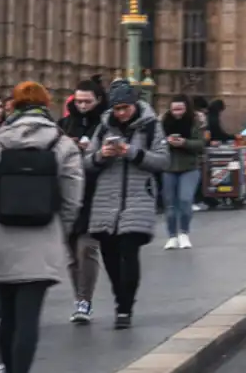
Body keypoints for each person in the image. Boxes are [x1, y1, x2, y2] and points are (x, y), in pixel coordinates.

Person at [0, 81, 83, 373]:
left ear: (13, 107)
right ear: (46, 105)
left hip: (2, 234)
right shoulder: (61, 143)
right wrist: (61, 226)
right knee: (29, 315)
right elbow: (73, 194)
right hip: (43, 234)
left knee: (6, 313)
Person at [85, 83, 169, 329]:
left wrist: (131, 152)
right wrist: (102, 155)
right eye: (117, 108)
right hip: (106, 199)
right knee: (109, 254)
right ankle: (119, 297)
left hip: (137, 197)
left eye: (125, 108)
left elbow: (162, 160)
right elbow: (86, 162)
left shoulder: (152, 126)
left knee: (128, 249)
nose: (121, 113)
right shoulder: (103, 127)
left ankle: (125, 308)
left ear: (134, 105)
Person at [58, 82, 106, 324]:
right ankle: (80, 297)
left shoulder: (106, 124)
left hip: (96, 194)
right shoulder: (65, 124)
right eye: (79, 101)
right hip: (68, 195)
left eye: (87, 101)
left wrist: (94, 153)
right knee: (71, 254)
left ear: (98, 99)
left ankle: (84, 300)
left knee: (86, 249)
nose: (83, 106)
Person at [159, 97, 205, 249]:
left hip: (189, 167)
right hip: (168, 167)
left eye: (180, 109)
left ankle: (184, 233)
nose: (177, 113)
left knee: (185, 200)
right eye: (174, 109)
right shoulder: (163, 123)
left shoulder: (194, 122)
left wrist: (184, 143)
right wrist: (166, 142)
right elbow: (155, 143)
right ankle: (172, 236)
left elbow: (201, 144)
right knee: (170, 204)